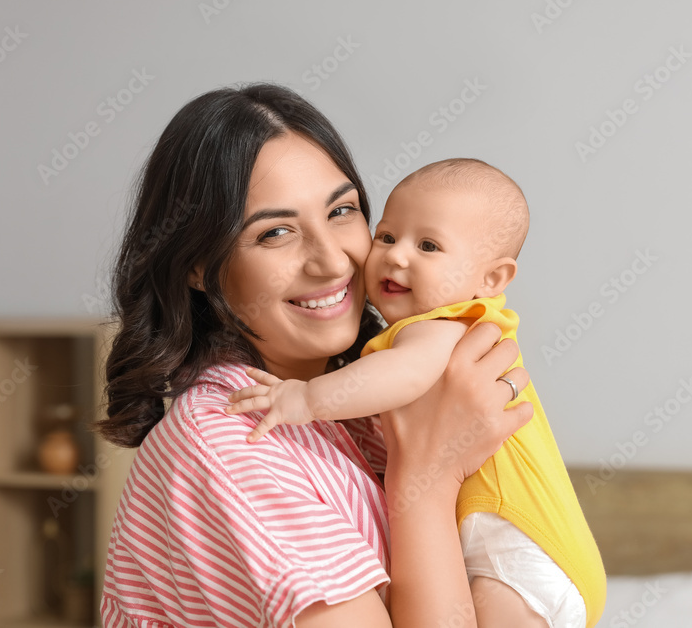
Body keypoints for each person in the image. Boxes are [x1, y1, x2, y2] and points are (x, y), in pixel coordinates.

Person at [93, 83, 534, 628]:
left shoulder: (362, 406)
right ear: (198, 265)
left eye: (342, 211)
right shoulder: (229, 444)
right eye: (276, 232)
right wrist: (428, 480)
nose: (332, 262)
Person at [227, 159, 607, 628]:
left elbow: (403, 375)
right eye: (386, 236)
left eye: (428, 245)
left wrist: (305, 399)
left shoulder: (446, 326)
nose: (396, 256)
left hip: (520, 545)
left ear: (490, 279)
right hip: (526, 547)